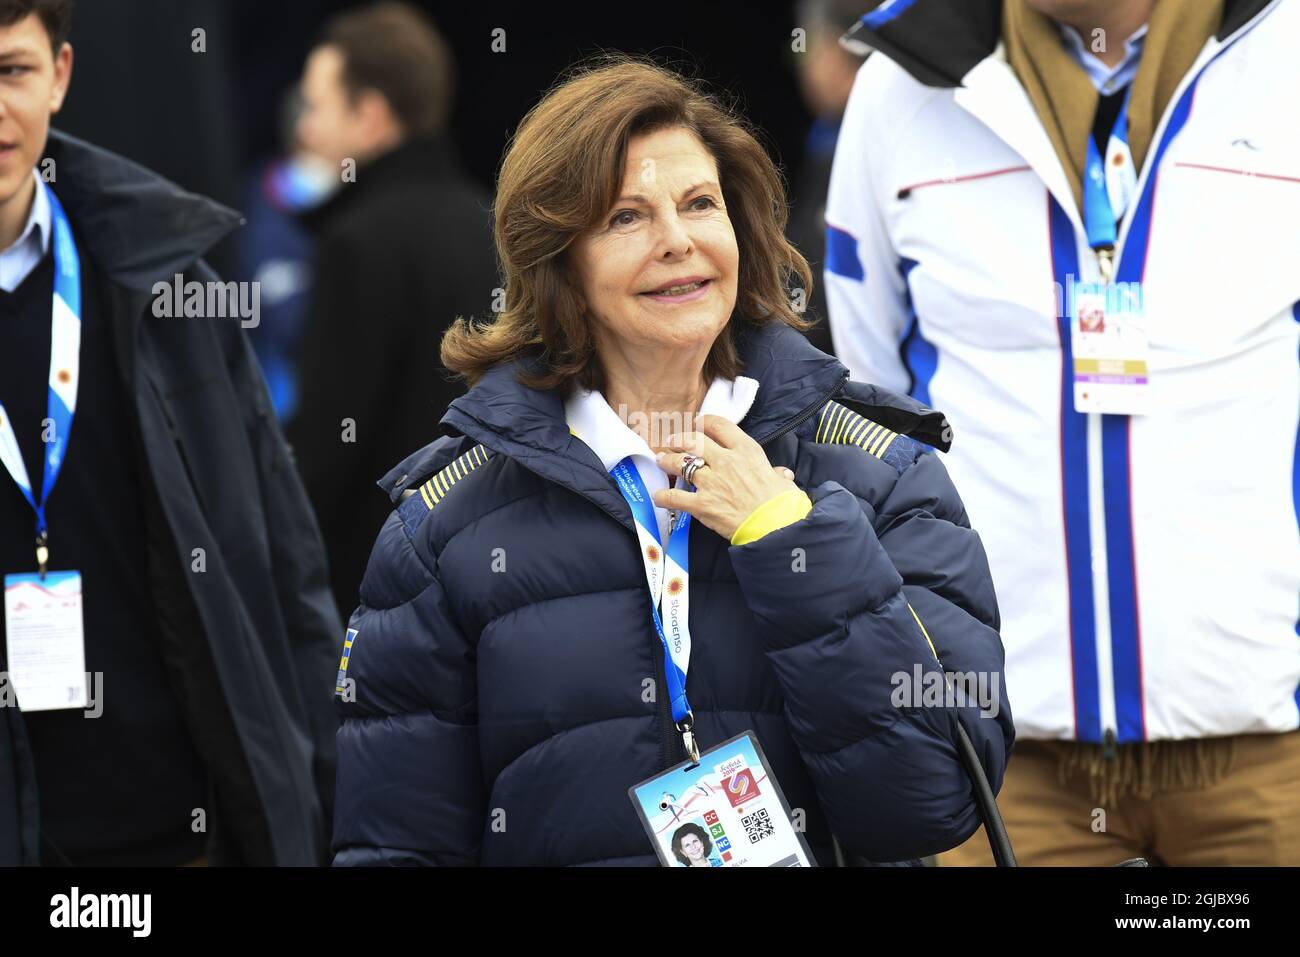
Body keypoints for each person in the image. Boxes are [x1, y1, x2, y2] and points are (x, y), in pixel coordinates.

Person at [330, 56, 1011, 867]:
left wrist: (792, 539)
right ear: (559, 258)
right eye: (626, 217)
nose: (678, 241)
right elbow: (395, 847)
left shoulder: (880, 472)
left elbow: (931, 803)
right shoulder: (440, 525)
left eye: (699, 204)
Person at [826, 0, 1300, 864]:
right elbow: (872, 412)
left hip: (1270, 742)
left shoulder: (1288, 55)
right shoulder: (901, 83)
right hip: (999, 748)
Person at [0, 0, 340, 865]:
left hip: (175, 829)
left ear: (61, 76)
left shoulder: (164, 281)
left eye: (13, 71)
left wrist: (318, 785)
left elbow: (279, 553)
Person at [285, 1, 498, 620]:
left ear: (371, 116)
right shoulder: (493, 223)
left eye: (317, 107)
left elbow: (327, 451)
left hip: (380, 591)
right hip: (495, 569)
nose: (305, 129)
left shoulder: (358, 241)